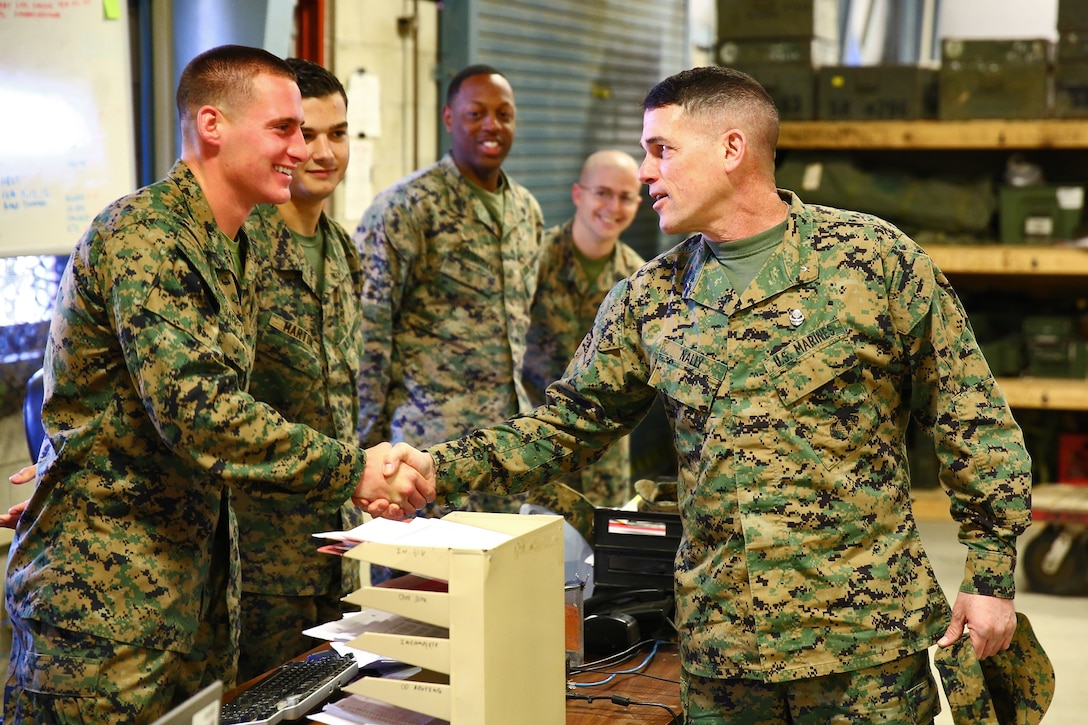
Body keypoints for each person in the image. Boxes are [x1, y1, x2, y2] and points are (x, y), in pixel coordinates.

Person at [372, 66, 1033, 723]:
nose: (645, 171)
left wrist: (990, 573)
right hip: (723, 655)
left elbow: (972, 419)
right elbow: (566, 426)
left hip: (863, 653)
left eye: (662, 149)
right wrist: (436, 466)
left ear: (731, 148)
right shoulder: (649, 297)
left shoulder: (873, 261)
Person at [2, 45, 432, 724]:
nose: (303, 149)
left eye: (316, 130)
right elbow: (198, 412)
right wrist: (355, 468)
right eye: (283, 129)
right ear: (212, 126)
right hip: (106, 613)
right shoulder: (146, 235)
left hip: (191, 597)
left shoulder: (227, 243)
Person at [353, 64, 544, 514]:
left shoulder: (526, 211)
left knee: (502, 579)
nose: (491, 125)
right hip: (421, 454)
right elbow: (368, 333)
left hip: (504, 451)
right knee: (419, 582)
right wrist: (366, 446)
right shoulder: (406, 208)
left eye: (504, 114)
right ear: (448, 119)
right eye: (476, 113)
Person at [233, 57, 367, 681]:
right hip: (255, 557)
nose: (322, 152)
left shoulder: (342, 251)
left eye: (336, 134)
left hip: (334, 545)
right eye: (305, 134)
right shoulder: (240, 246)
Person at [522, 149, 645, 509]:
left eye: (625, 197)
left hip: (601, 459)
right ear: (578, 194)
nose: (613, 206)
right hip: (533, 446)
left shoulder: (637, 280)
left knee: (596, 560)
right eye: (602, 193)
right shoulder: (535, 260)